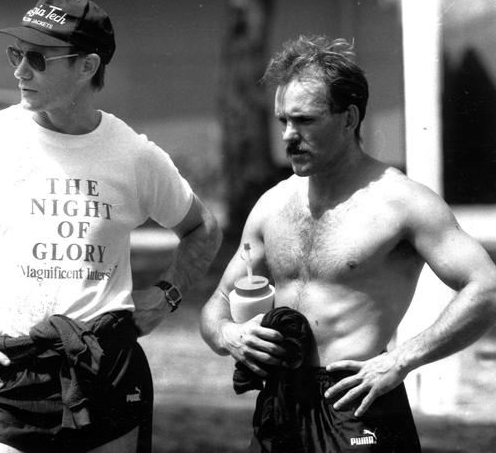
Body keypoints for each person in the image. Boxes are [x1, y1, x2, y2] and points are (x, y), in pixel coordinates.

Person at [0, 0, 221, 453]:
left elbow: (202, 229)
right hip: (8, 372)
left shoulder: (133, 156)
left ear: (87, 67)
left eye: (37, 57)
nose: (19, 70)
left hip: (104, 366)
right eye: (17, 54)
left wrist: (169, 295)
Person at [200, 34, 496, 452]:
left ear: (349, 117)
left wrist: (401, 359)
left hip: (358, 399)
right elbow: (217, 301)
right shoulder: (272, 205)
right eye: (283, 120)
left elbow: (486, 287)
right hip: (281, 405)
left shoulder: (402, 202)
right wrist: (228, 334)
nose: (288, 135)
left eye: (304, 120)